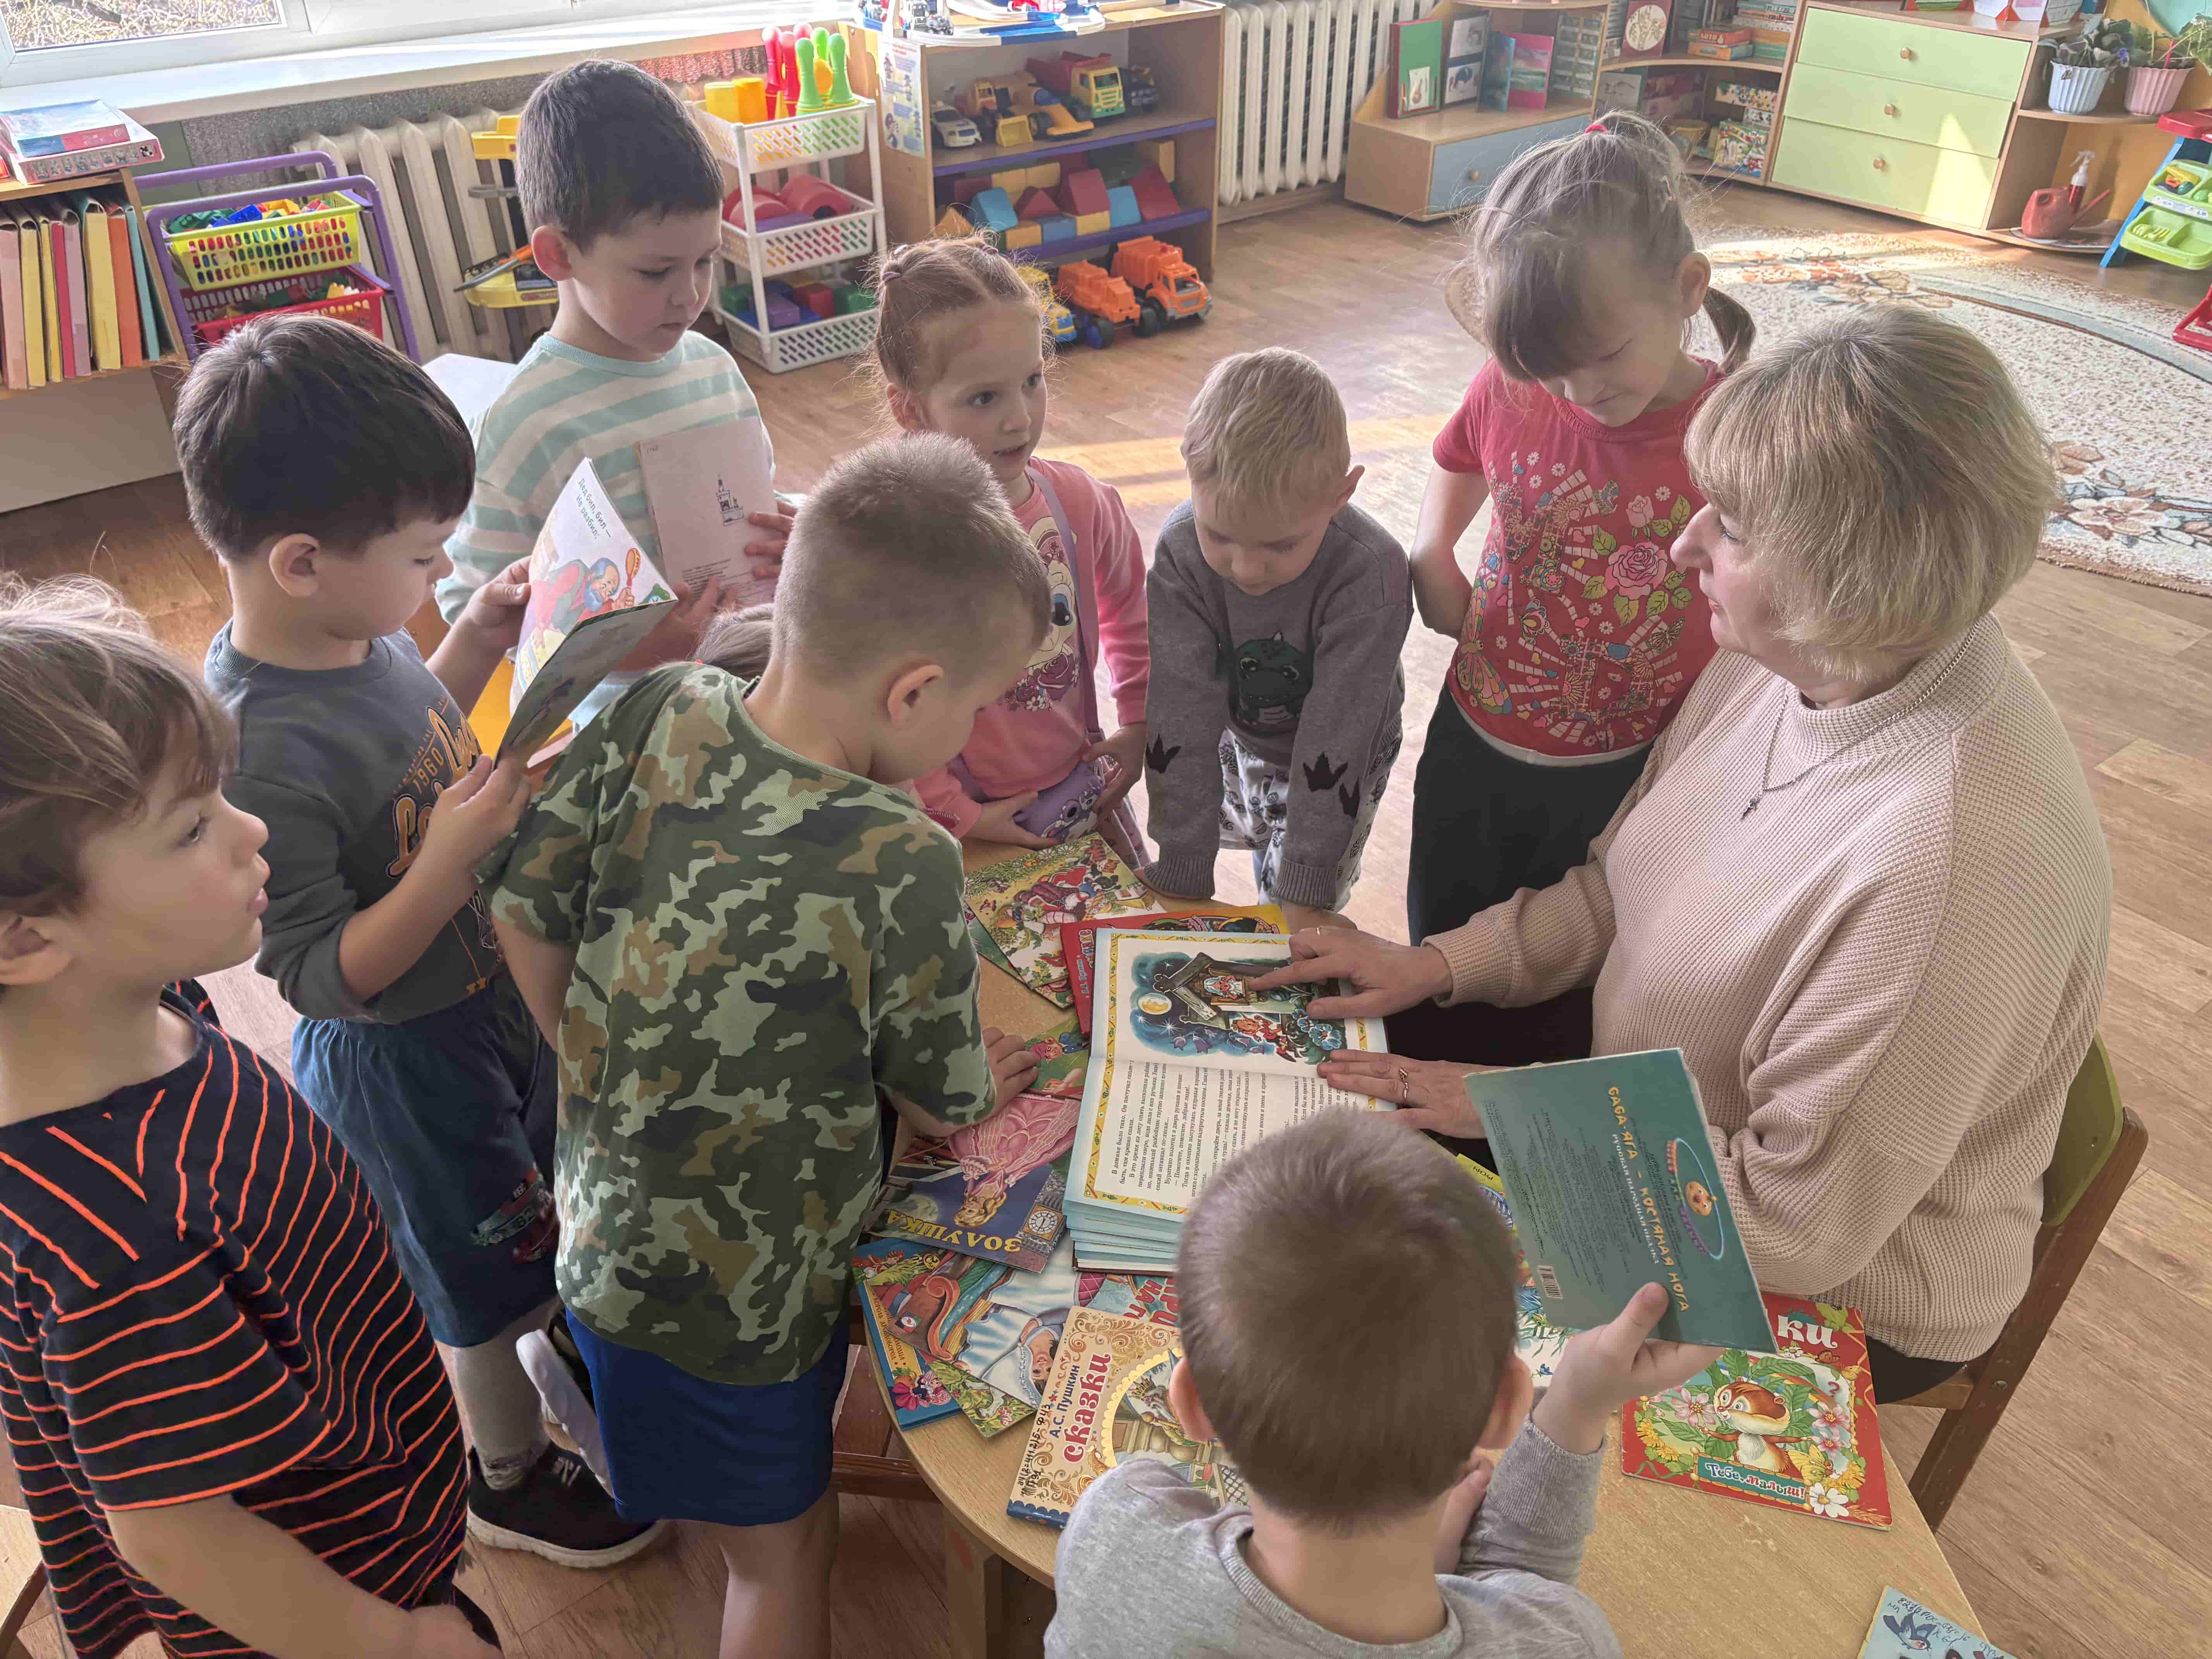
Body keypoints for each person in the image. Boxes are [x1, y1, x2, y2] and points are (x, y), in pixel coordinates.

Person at [1259, 308, 2110, 1402]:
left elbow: (1793, 1227)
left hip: (1830, 1285)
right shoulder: (1788, 655)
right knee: (1318, 1074)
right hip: (1652, 1108)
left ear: (1849, 582)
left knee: (1378, 1343)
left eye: (1735, 529)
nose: (1685, 545)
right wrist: (1434, 967)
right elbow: (1619, 887)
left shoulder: (1949, 866)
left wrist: (1515, 1115)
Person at [483, 433, 1052, 1659]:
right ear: (912, 694)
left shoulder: (659, 703)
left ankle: (607, 1408)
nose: (970, 732)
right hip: (751, 1306)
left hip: (603, 1240)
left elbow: (523, 910)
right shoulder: (905, 856)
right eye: (976, 705)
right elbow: (946, 1098)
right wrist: (978, 1073)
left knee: (753, 1520)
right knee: (782, 1556)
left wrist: (597, 1062)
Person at [185, 315, 658, 1568]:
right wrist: (449, 859)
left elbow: (409, 729)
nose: (439, 569)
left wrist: (480, 636)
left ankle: (568, 1352)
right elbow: (316, 976)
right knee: (476, 1278)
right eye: (421, 554)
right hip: (401, 1060)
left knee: (536, 1209)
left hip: (485, 994)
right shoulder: (256, 744)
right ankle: (505, 1473)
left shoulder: (356, 627)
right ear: (301, 561)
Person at [0, 577, 502, 1659]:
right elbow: (177, 1534)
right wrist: (396, 1643)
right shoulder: (123, 1237)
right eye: (192, 827)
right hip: (336, 1596)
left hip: (367, 1487)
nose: (253, 829)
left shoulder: (139, 1004)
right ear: (25, 939)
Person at [1047, 1111, 1719, 1658]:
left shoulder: (1116, 1534)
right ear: (1506, 1408)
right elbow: (1529, 1607)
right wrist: (1575, 1406)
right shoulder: (1571, 1644)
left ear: (1192, 1404)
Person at [1401, 111, 1756, 1065]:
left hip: (1626, 768)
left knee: (1567, 984)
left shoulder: (1732, 428)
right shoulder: (1513, 385)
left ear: (1688, 290)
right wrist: (1434, 548)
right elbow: (1457, 454)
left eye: (1602, 357)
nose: (1578, 393)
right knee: (1444, 949)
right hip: (1478, 736)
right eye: (1549, 371)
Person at [438, 58, 791, 731]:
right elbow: (477, 612)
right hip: (631, 730)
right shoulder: (523, 424)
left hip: (763, 682)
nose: (691, 295)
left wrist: (791, 540)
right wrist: (627, 653)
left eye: (705, 260)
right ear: (557, 256)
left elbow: (757, 511)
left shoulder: (715, 369)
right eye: (657, 272)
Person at [874, 237, 1151, 856]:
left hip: (1086, 789)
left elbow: (1133, 608)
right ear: (909, 409)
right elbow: (890, 698)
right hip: (967, 825)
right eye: (985, 398)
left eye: (1032, 381)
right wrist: (959, 813)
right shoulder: (898, 546)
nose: (1020, 419)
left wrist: (1138, 719)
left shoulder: (1080, 501)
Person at [1141, 347, 1412, 934]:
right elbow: (1181, 706)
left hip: (1343, 752)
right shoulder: (1181, 552)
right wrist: (1183, 858)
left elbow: (1339, 732)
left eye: (1281, 546)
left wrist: (1307, 881)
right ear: (1188, 470)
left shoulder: (1372, 574)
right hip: (1242, 732)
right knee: (1260, 848)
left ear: (1342, 494)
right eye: (1220, 535)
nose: (1246, 569)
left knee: (1293, 908)